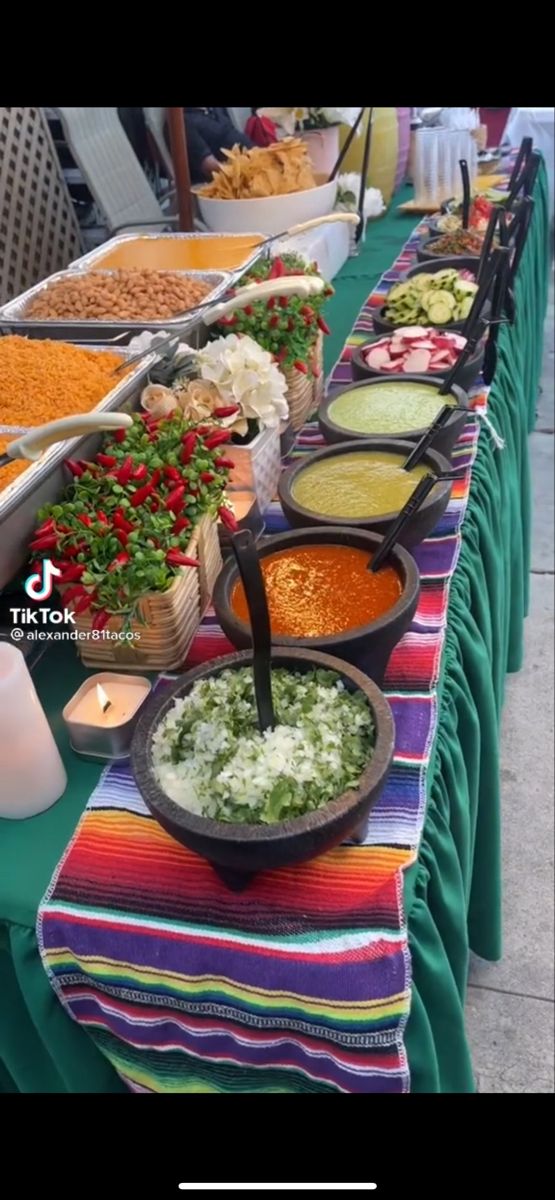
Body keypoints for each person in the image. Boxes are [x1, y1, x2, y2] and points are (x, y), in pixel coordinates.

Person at [182, 108, 255, 184]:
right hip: (237, 181)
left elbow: (234, 135)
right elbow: (209, 167)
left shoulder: (216, 110)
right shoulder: (184, 121)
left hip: (254, 163)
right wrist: (247, 172)